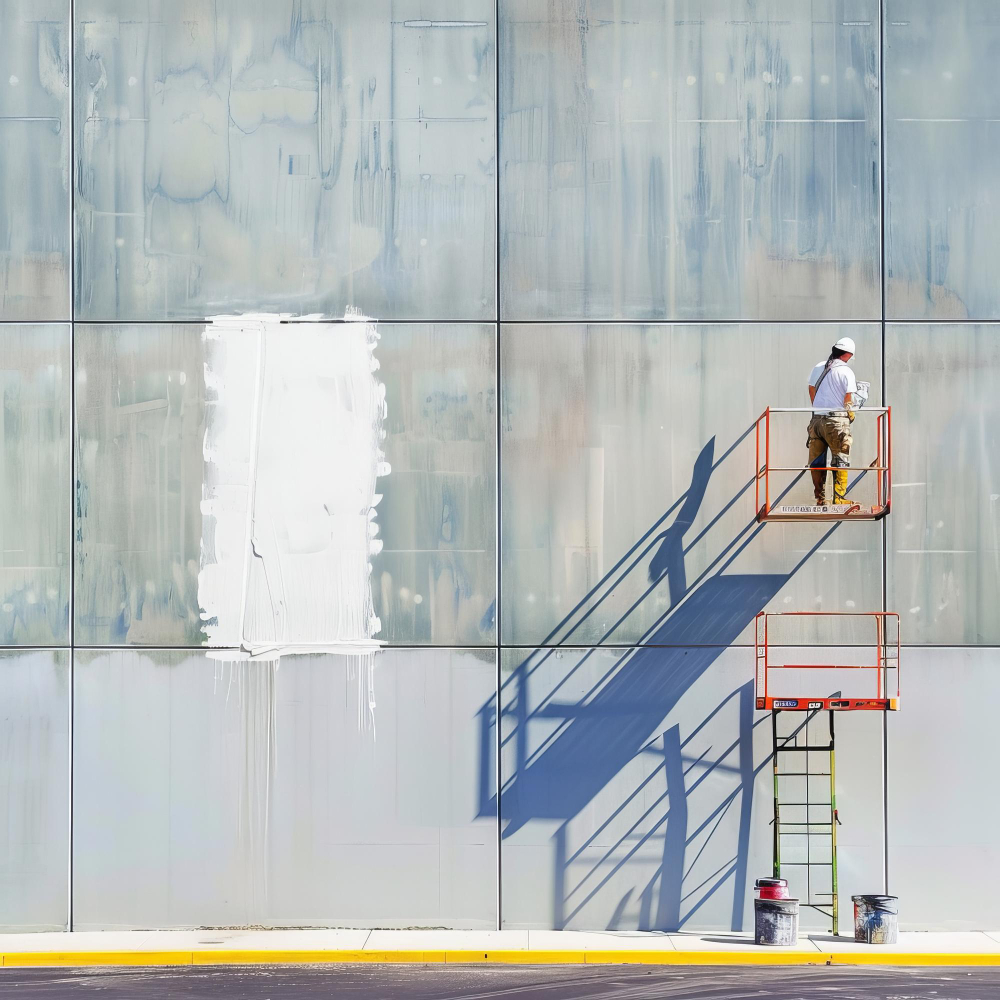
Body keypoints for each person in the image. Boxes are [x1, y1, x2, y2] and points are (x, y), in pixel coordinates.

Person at [806, 337, 858, 506]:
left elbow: (811, 388)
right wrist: (850, 411)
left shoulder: (820, 366)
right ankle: (839, 498)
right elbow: (848, 398)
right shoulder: (846, 371)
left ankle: (820, 498)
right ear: (847, 355)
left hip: (816, 421)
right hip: (836, 421)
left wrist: (818, 407)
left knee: (817, 460)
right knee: (841, 457)